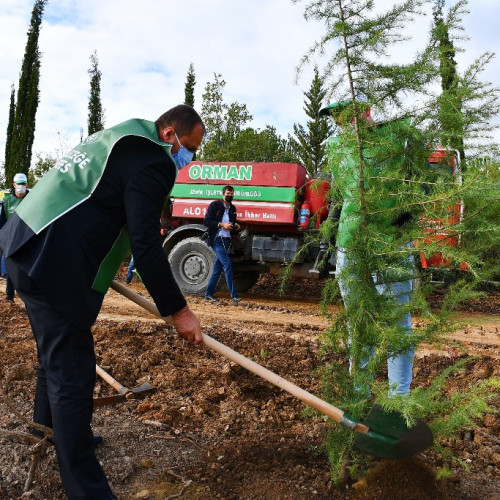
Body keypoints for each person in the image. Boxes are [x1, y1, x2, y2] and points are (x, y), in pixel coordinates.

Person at [0, 104, 204, 500]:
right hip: (50, 262)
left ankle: (44, 430)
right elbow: (146, 245)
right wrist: (179, 310)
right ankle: (86, 488)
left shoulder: (119, 137)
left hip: (24, 244)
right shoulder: (154, 163)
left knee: (55, 355)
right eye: (189, 147)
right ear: (170, 136)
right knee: (73, 374)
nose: (189, 157)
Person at [320, 100, 416, 397]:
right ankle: (358, 396)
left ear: (366, 110)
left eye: (346, 114)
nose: (341, 122)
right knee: (358, 324)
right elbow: (338, 194)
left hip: (391, 244)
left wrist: (409, 210)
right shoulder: (336, 147)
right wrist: (330, 238)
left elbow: (423, 179)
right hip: (351, 244)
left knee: (397, 325)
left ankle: (399, 401)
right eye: (336, 117)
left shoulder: (398, 137)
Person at [203, 185, 242, 304]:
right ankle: (234, 295)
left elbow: (232, 224)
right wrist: (221, 224)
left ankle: (208, 294)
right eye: (228, 194)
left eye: (231, 194)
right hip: (216, 239)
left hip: (227, 240)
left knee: (217, 269)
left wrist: (236, 227)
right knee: (228, 265)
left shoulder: (232, 208)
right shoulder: (215, 205)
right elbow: (207, 221)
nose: (230, 196)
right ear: (223, 194)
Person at [0, 173, 30, 301]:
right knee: (11, 266)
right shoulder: (7, 201)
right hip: (11, 238)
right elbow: (2, 221)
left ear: (27, 185)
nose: (21, 187)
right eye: (19, 184)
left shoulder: (33, 198)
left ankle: (28, 297)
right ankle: (9, 296)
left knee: (27, 267)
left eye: (23, 184)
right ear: (14, 184)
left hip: (27, 237)